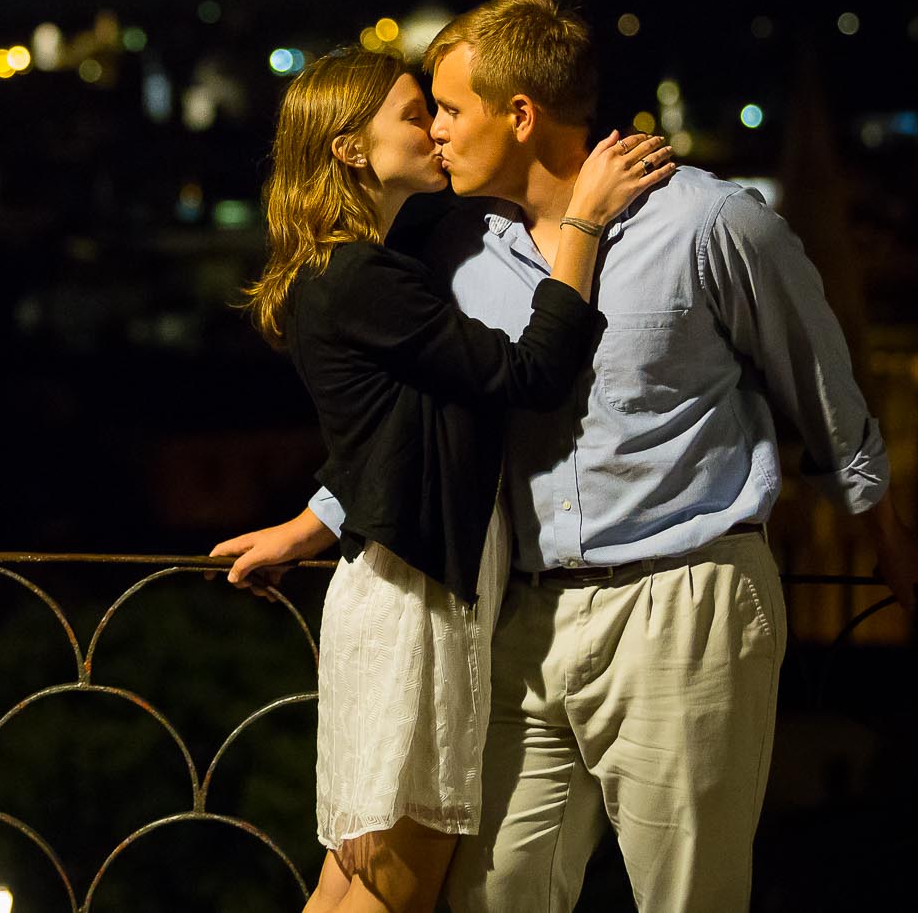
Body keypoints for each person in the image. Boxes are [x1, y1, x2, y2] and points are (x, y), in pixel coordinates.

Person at [215, 0, 918, 913]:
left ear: (518, 115)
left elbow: (823, 384)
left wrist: (881, 530)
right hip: (519, 615)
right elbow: (426, 414)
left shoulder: (710, 222)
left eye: (448, 108)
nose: (438, 132)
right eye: (426, 112)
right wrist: (317, 521)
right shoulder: (457, 248)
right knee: (485, 895)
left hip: (679, 604)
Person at [228, 45, 675, 913]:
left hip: (404, 591)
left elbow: (390, 437)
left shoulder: (361, 266)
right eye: (411, 114)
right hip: (413, 603)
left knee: (358, 879)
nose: (435, 128)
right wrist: (581, 224)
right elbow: (530, 375)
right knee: (392, 885)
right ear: (350, 149)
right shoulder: (363, 276)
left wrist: (308, 523)